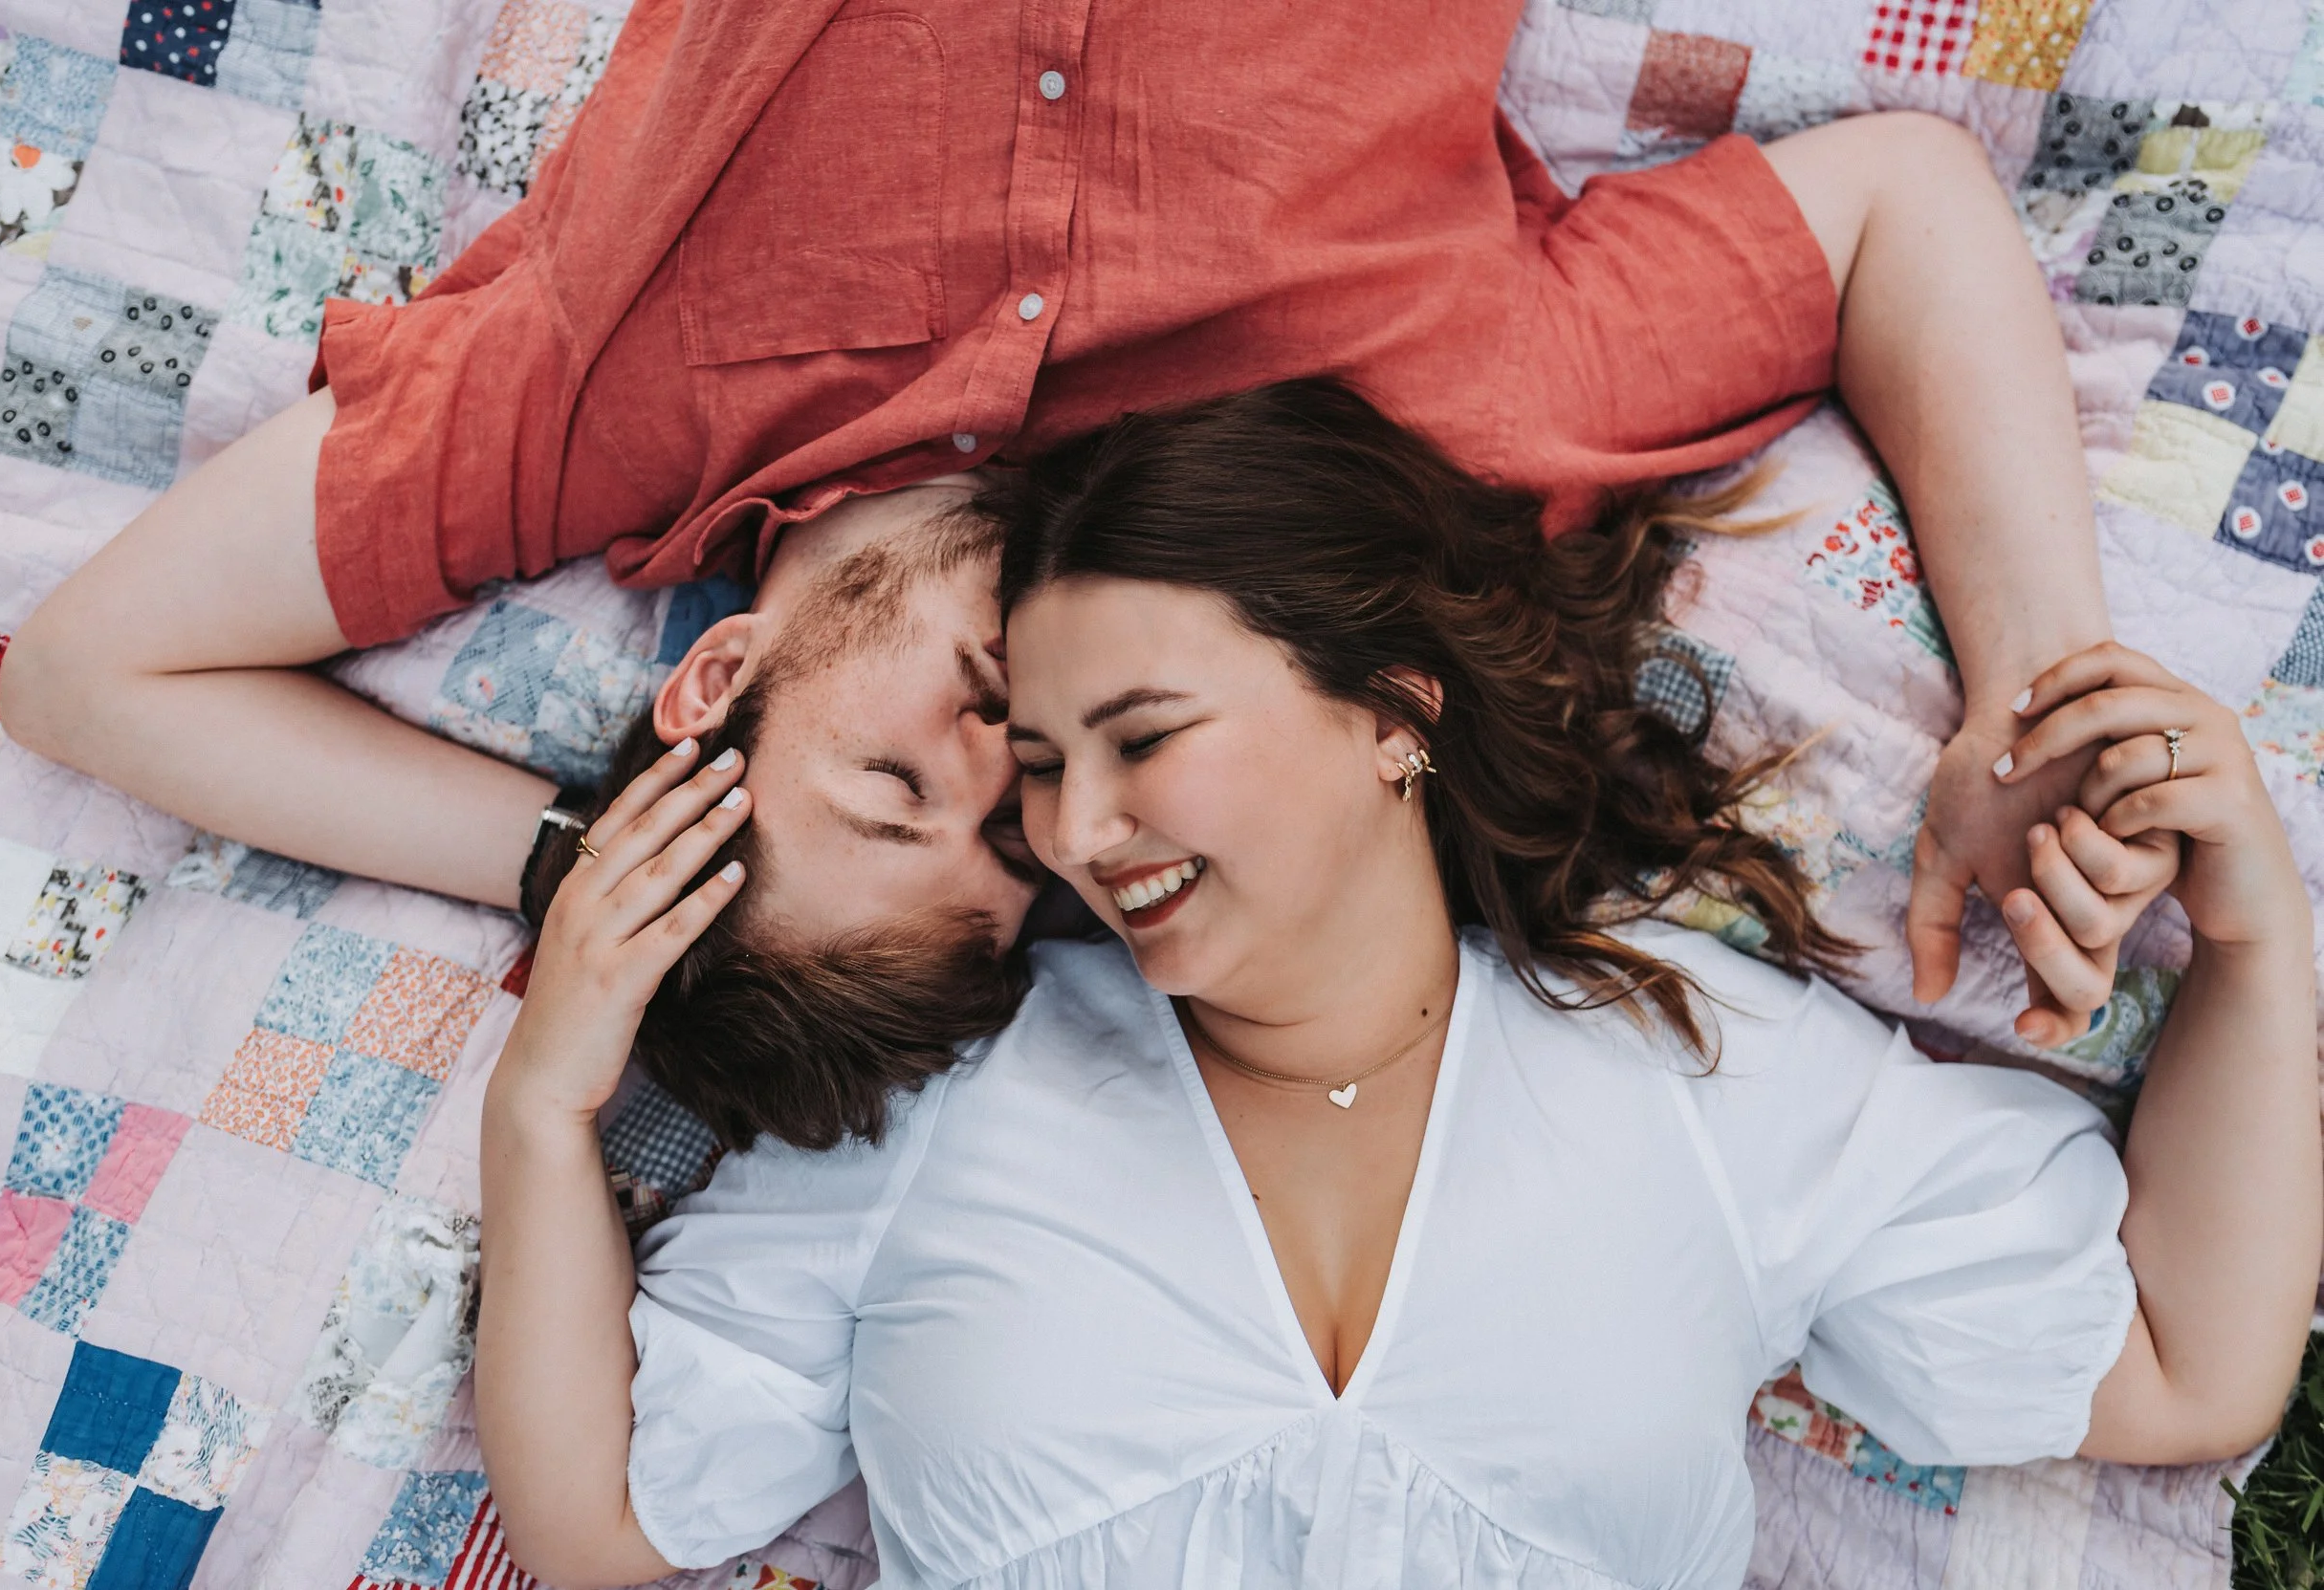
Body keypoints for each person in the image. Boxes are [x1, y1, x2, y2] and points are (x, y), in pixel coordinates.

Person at [471, 382, 2319, 1588]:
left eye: (1143, 736)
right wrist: (547, 1107)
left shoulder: (1700, 1067)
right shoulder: (946, 1105)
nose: (1075, 832)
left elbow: (2184, 1365)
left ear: (1389, 717)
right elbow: (601, 1521)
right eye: (1038, 763)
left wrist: (2251, 939)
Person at [0, 0, 2125, 1041]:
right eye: (1017, 827)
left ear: (718, 681)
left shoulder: (589, 411)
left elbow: (91, 668)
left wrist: (590, 873)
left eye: (888, 789)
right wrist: (2028, 691)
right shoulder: (1388, 452)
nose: (1001, 757)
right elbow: (1897, 208)